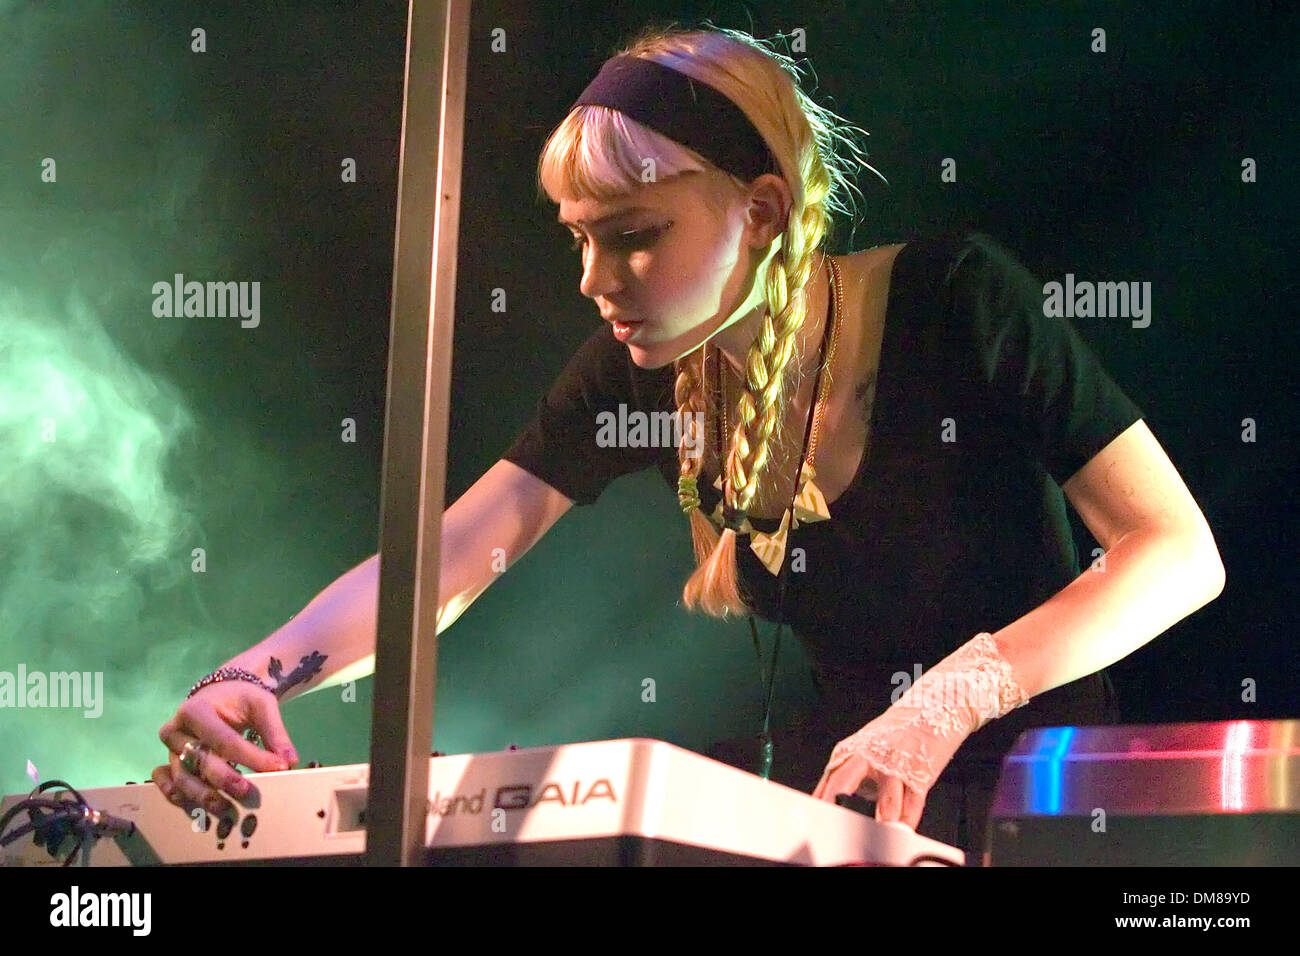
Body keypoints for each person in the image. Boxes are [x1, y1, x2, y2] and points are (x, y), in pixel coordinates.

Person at [153, 24, 1226, 857]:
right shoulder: (644, 371)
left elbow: (1175, 553)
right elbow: (446, 563)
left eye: (633, 237)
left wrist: (944, 700)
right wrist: (252, 672)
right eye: (580, 240)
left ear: (759, 209)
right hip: (845, 814)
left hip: (1058, 799)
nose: (594, 281)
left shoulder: (955, 300)